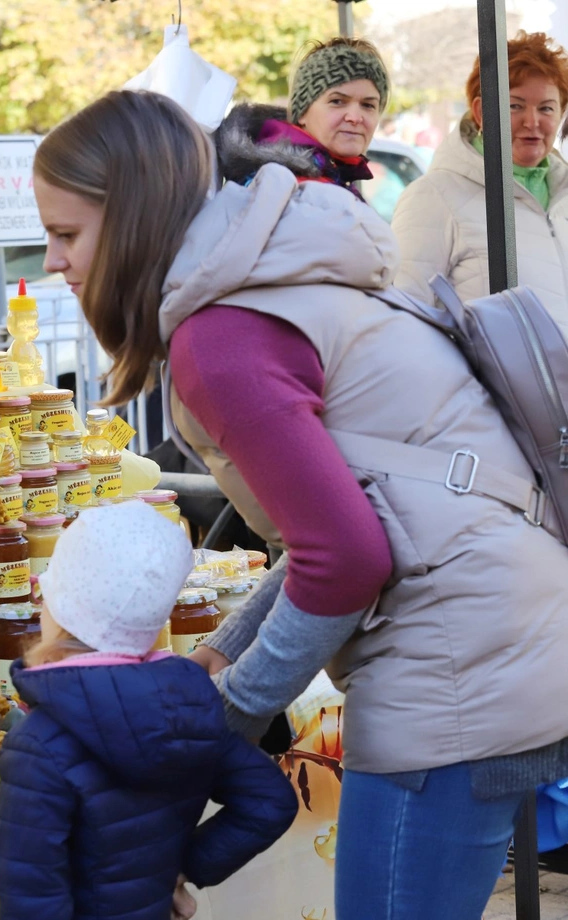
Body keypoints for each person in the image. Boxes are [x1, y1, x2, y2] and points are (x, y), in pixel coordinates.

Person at [32, 89, 568, 919]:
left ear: (132, 216)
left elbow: (349, 559)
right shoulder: (271, 282)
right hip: (502, 632)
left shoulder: (220, 334)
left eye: (66, 234)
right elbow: (344, 532)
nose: (52, 262)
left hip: (455, 669)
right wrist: (219, 657)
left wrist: (227, 720)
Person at [0, 503, 296, 920]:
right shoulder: (189, 713)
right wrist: (186, 866)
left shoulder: (37, 743)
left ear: (58, 613)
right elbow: (270, 802)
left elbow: (31, 901)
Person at [393, 31, 568, 330]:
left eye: (546, 108)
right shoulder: (434, 196)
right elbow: (403, 316)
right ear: (480, 112)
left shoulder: (562, 193)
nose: (532, 121)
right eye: (515, 105)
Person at [215, 38, 388, 198]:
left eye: (368, 105)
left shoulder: (325, 179)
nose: (355, 117)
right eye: (337, 101)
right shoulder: (297, 190)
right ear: (303, 112)